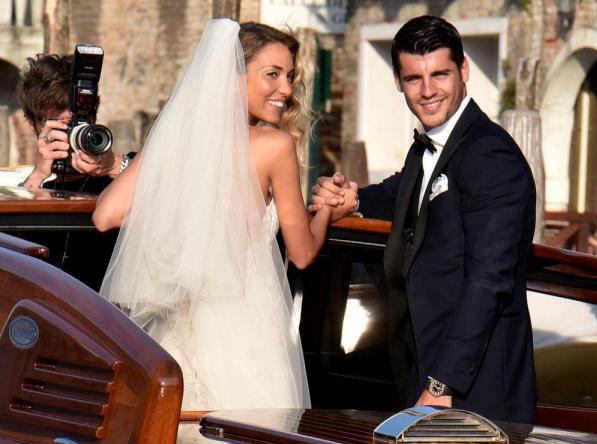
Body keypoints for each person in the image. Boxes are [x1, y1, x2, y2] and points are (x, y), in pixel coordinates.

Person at [92, 20, 348, 411]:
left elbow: (106, 215)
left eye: (290, 76)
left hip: (177, 336)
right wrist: (328, 209)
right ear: (233, 75)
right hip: (248, 338)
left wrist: (174, 210)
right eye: (272, 75)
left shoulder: (173, 141)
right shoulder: (274, 146)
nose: (286, 88)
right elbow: (302, 253)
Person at [312, 15, 538, 423]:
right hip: (424, 370)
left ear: (463, 70)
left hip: (474, 390)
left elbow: (489, 281)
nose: (428, 90)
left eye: (440, 74)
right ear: (398, 81)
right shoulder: (429, 146)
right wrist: (353, 198)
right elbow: (401, 192)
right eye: (414, 78)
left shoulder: (491, 156)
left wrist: (441, 385)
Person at [17, 53, 130, 195]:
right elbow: (18, 212)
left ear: (93, 118)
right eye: (62, 125)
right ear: (33, 125)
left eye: (79, 122)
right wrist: (38, 175)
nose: (72, 133)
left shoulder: (121, 179)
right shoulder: (41, 189)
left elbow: (160, 179)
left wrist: (114, 165)